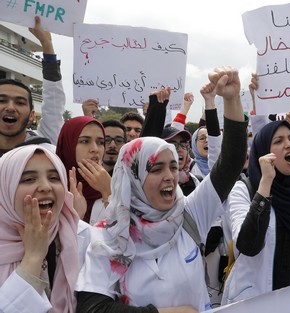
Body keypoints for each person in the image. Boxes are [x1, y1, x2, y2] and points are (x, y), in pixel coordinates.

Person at [75, 67, 248, 312]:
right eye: (156, 169)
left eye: (173, 167)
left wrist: (231, 98)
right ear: (133, 178)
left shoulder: (190, 214)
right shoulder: (110, 236)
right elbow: (92, 308)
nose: (169, 177)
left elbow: (230, 163)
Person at [222, 120, 290, 305]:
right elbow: (248, 244)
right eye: (278, 141)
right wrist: (266, 183)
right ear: (263, 152)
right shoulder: (244, 190)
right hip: (261, 301)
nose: (289, 144)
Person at [0, 145, 80, 312]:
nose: (45, 186)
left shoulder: (83, 237)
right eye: (28, 179)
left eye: (54, 177)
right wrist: (33, 258)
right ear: (4, 188)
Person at [0, 16, 64, 156]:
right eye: (2, 100)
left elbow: (54, 103)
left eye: (20, 102)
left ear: (32, 115)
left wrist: (46, 44)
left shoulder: (44, 149)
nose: (10, 107)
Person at [56, 116, 111, 224]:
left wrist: (109, 193)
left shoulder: (115, 188)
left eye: (100, 142)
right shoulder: (51, 190)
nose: (95, 149)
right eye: (85, 141)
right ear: (68, 145)